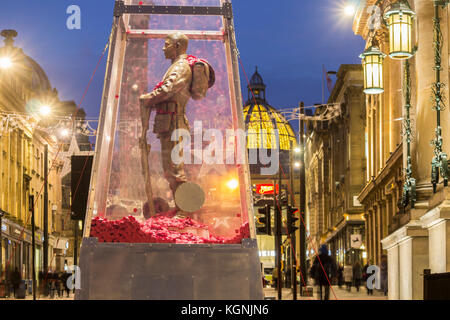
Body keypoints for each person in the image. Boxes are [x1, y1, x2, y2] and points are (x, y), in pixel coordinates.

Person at [139, 32, 214, 218]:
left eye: (167, 44)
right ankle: (182, 208)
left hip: (175, 123)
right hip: (169, 123)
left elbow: (168, 89)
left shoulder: (180, 66)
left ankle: (184, 210)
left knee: (175, 170)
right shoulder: (175, 65)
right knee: (170, 170)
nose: (164, 48)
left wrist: (148, 98)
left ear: (178, 46)